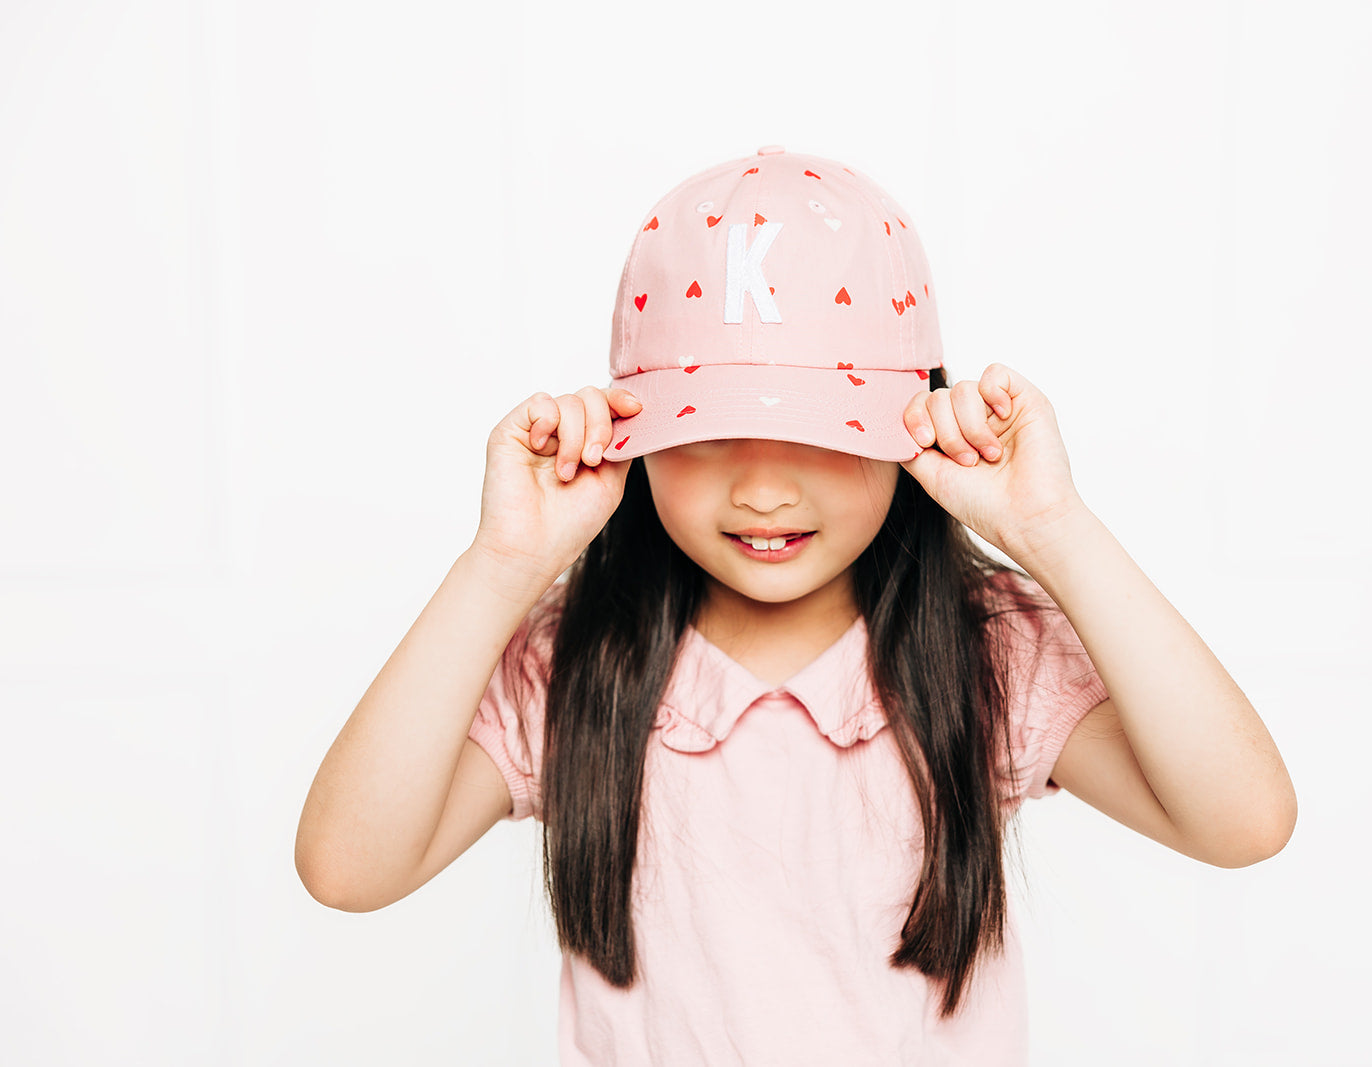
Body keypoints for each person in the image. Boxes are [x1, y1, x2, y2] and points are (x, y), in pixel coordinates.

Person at [296, 146, 1297, 1064]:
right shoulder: (574, 661)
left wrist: (1056, 530)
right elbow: (346, 866)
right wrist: (501, 562)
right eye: (707, 432)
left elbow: (1243, 819)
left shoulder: (980, 646)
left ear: (913, 423)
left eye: (822, 432)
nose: (766, 492)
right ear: (629, 432)